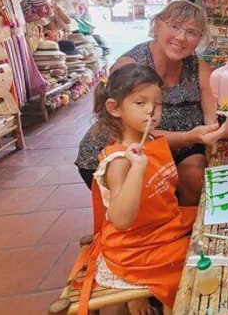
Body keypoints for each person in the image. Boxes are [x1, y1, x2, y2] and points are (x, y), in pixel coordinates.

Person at [76, 0, 228, 205]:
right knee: (134, 214)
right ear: (157, 26)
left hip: (179, 149)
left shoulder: (198, 68)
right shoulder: (131, 67)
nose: (181, 37)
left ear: (199, 39)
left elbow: (215, 125)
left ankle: (185, 230)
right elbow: (132, 135)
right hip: (123, 153)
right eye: (174, 26)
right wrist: (189, 136)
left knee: (194, 179)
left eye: (191, 32)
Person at [72, 63, 193, 315]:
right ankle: (163, 300)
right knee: (196, 260)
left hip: (164, 229)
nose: (151, 110)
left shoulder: (150, 140)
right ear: (114, 108)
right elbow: (121, 219)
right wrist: (137, 169)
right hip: (138, 248)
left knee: (205, 224)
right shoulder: (119, 161)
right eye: (140, 103)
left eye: (157, 103)